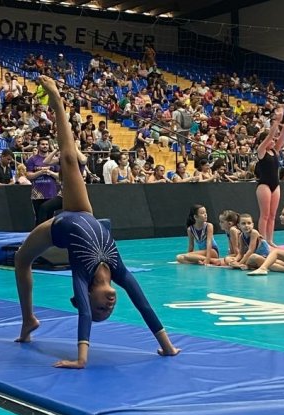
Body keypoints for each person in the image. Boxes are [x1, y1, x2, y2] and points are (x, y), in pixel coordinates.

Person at [14, 76, 179, 368]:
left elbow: (85, 315)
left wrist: (81, 360)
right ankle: (56, 98)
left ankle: (28, 319)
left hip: (58, 229)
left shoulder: (82, 274)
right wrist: (167, 347)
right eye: (109, 309)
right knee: (69, 160)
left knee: (21, 260)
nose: (110, 304)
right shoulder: (119, 271)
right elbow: (143, 305)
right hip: (84, 212)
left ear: (89, 293)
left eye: (102, 306)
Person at [255, 107, 284, 241]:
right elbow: (271, 135)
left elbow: (282, 136)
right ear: (264, 141)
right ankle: (263, 240)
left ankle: (270, 240)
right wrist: (276, 121)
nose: (274, 140)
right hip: (264, 185)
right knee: (264, 215)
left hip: (275, 185)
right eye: (271, 140)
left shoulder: (276, 151)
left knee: (272, 215)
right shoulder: (261, 151)